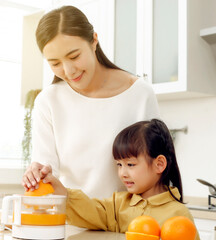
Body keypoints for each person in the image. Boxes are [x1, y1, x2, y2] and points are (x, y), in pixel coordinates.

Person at [22, 5, 160, 198]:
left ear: (94, 41)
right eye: (55, 63)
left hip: (127, 221)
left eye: (74, 56)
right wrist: (37, 173)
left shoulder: (140, 94)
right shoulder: (49, 101)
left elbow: (155, 172)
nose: (68, 71)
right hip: (72, 220)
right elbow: (47, 171)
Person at [43, 119, 200, 239]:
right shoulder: (119, 205)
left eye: (130, 164)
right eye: (119, 164)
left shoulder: (179, 214)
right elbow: (91, 211)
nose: (122, 173)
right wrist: (63, 193)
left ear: (159, 164)